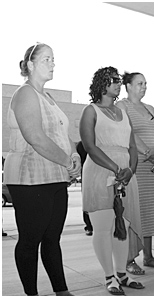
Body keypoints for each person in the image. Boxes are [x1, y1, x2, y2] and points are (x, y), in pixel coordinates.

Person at [3, 43, 81, 296]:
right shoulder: (24, 94)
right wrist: (68, 162)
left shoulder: (48, 98)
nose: (53, 64)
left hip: (56, 176)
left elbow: (61, 134)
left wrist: (74, 155)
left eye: (53, 59)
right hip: (30, 178)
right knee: (30, 240)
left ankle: (61, 291)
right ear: (31, 65)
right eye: (46, 59)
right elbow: (35, 137)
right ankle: (31, 294)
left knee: (51, 239)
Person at [80, 66, 144, 295]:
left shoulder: (123, 112)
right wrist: (117, 168)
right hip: (100, 171)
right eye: (113, 80)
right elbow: (89, 146)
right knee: (103, 227)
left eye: (119, 80)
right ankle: (110, 277)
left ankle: (122, 274)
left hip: (126, 174)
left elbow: (133, 146)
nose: (118, 83)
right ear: (101, 83)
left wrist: (130, 170)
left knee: (123, 225)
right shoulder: (91, 110)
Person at [116, 71, 154, 274]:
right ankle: (129, 259)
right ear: (127, 85)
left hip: (151, 167)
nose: (144, 87)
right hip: (135, 165)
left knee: (149, 212)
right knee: (133, 213)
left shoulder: (150, 108)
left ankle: (148, 255)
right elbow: (128, 133)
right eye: (139, 83)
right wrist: (150, 153)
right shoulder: (122, 106)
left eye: (145, 83)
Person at [76, 141, 93, 236]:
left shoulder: (82, 144)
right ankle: (89, 225)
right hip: (87, 176)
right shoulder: (83, 144)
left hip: (88, 176)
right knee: (88, 199)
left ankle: (89, 225)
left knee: (88, 199)